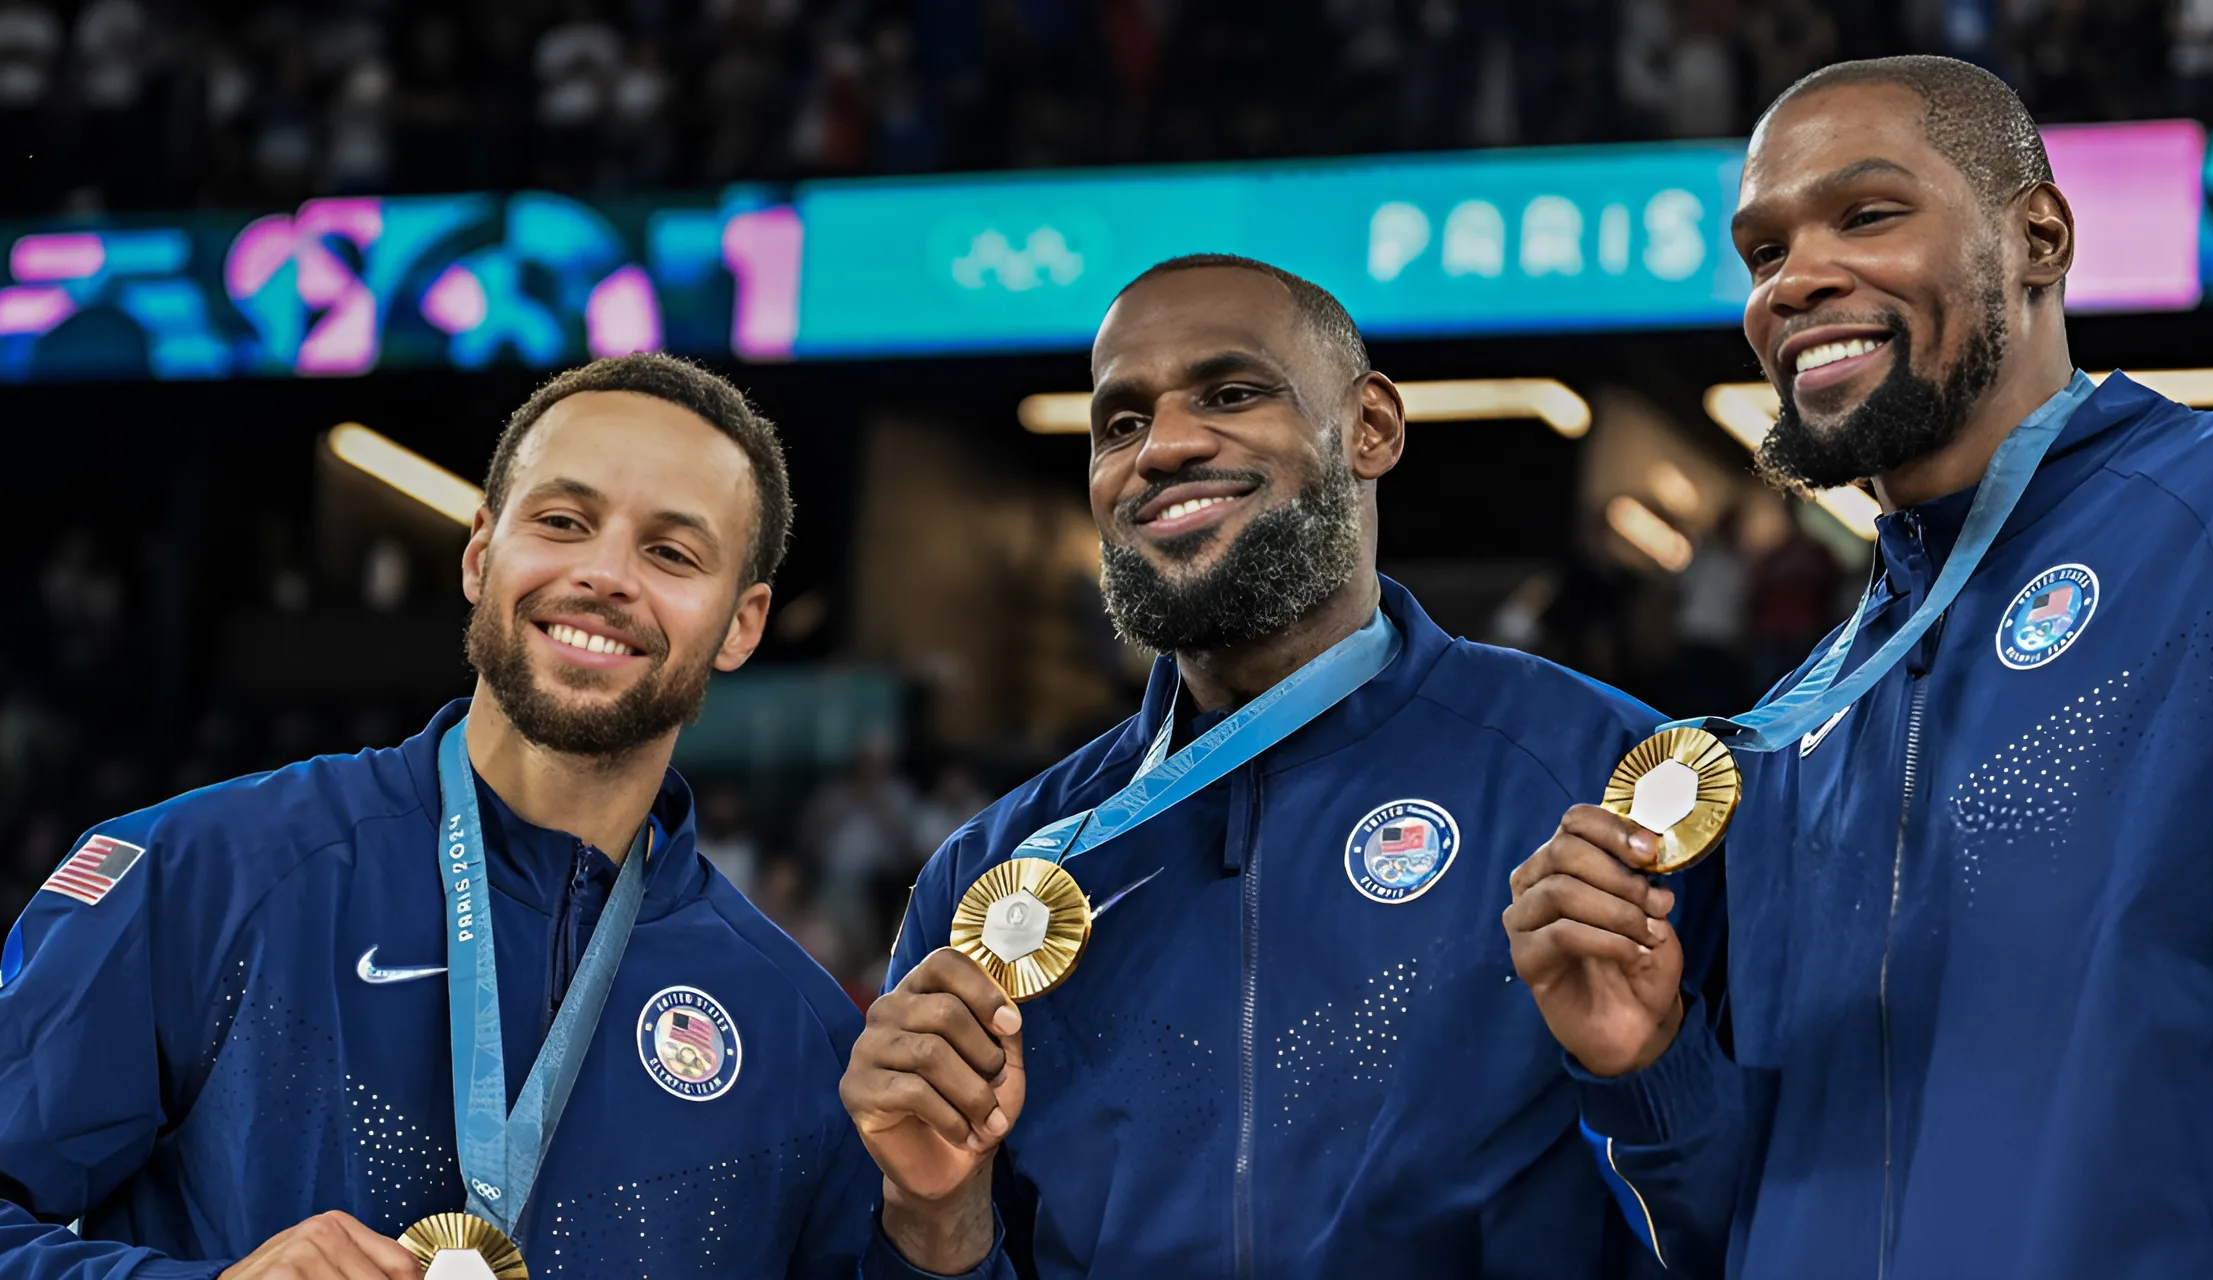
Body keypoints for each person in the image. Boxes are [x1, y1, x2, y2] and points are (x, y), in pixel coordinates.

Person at [1506, 56, 2213, 1279]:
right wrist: (1647, 1064)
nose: (1796, 279)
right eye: (1764, 254)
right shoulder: (1788, 727)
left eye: (1867, 214)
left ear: (2038, 236)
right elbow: (1742, 1228)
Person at [839, 254, 1669, 1279]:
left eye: (1231, 393)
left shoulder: (1600, 777)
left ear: (1371, 426)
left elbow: (1753, 1219)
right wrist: (934, 1222)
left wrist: (1652, 1075)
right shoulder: (999, 875)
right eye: (1121, 422)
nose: (1166, 446)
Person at [0, 354, 879, 1277]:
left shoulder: (802, 1040)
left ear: (741, 624)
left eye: (670, 552)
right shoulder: (205, 875)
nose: (606, 574)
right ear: (478, 552)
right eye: (562, 521)